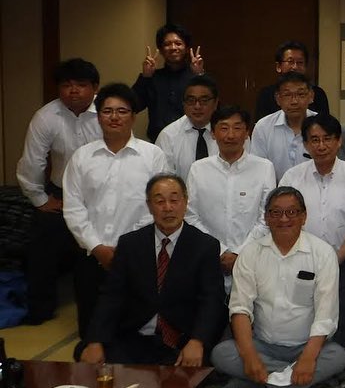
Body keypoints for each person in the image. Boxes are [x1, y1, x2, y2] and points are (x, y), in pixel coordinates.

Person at [211, 186, 345, 388]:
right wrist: (249, 356)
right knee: (221, 354)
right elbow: (240, 309)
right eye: (276, 212)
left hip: (307, 346)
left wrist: (308, 359)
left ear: (304, 217)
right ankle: (292, 380)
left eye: (292, 212)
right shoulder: (251, 253)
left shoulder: (323, 253)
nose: (284, 219)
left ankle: (256, 385)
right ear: (266, 218)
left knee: (337, 356)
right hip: (263, 346)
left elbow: (326, 315)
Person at [80, 174, 226, 366]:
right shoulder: (130, 244)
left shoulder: (205, 246)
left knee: (200, 367)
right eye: (160, 201)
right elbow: (111, 295)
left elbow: (212, 300)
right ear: (149, 206)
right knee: (86, 353)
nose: (168, 208)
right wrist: (96, 340)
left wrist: (197, 341)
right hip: (135, 336)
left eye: (174, 200)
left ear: (185, 202)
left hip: (182, 339)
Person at [62, 84, 169, 341]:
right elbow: (74, 207)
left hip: (139, 256)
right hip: (91, 256)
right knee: (91, 332)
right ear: (98, 116)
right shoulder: (82, 157)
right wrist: (97, 246)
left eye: (122, 111)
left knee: (134, 331)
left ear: (133, 116)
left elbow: (159, 206)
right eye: (107, 111)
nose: (114, 117)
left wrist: (127, 247)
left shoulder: (153, 156)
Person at [16, 58, 102, 324]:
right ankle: (40, 310)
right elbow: (32, 161)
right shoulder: (46, 116)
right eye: (66, 85)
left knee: (98, 251)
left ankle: (102, 312)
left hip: (101, 192)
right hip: (61, 193)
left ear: (95, 87)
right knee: (41, 248)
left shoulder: (107, 111)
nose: (73, 90)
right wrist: (40, 199)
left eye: (81, 84)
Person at [280, 114, 345, 347]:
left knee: (340, 325)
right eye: (314, 140)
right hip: (299, 261)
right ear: (305, 144)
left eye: (327, 138)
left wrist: (335, 259)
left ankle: (334, 358)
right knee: (299, 318)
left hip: (343, 262)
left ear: (339, 141)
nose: (321, 145)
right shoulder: (292, 177)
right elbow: (283, 220)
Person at [185, 106, 275, 286]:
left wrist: (239, 254)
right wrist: (219, 250)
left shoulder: (265, 168)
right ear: (213, 133)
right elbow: (190, 216)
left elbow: (267, 218)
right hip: (209, 260)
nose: (231, 135)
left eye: (237, 128)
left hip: (253, 261)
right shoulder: (198, 169)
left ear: (247, 133)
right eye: (224, 128)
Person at [132, 23, 205, 141]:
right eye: (167, 44)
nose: (173, 47)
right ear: (161, 50)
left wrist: (200, 76)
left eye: (178, 43)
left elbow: (212, 108)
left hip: (192, 141)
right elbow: (133, 106)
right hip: (158, 142)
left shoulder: (195, 78)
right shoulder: (153, 78)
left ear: (187, 48)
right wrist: (145, 77)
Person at [249, 71, 317, 180]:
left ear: (311, 96)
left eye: (301, 94)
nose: (294, 101)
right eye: (287, 95)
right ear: (278, 99)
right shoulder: (263, 127)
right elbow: (258, 169)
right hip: (274, 189)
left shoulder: (323, 125)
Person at [155, 75, 219, 180]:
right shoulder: (168, 136)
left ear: (215, 103)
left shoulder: (228, 133)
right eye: (191, 100)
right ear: (183, 103)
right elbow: (164, 180)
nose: (197, 106)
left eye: (204, 100)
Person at [254, 41, 330, 121]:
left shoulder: (318, 93)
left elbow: (325, 124)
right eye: (290, 62)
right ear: (278, 66)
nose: (295, 67)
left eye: (300, 62)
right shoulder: (266, 94)